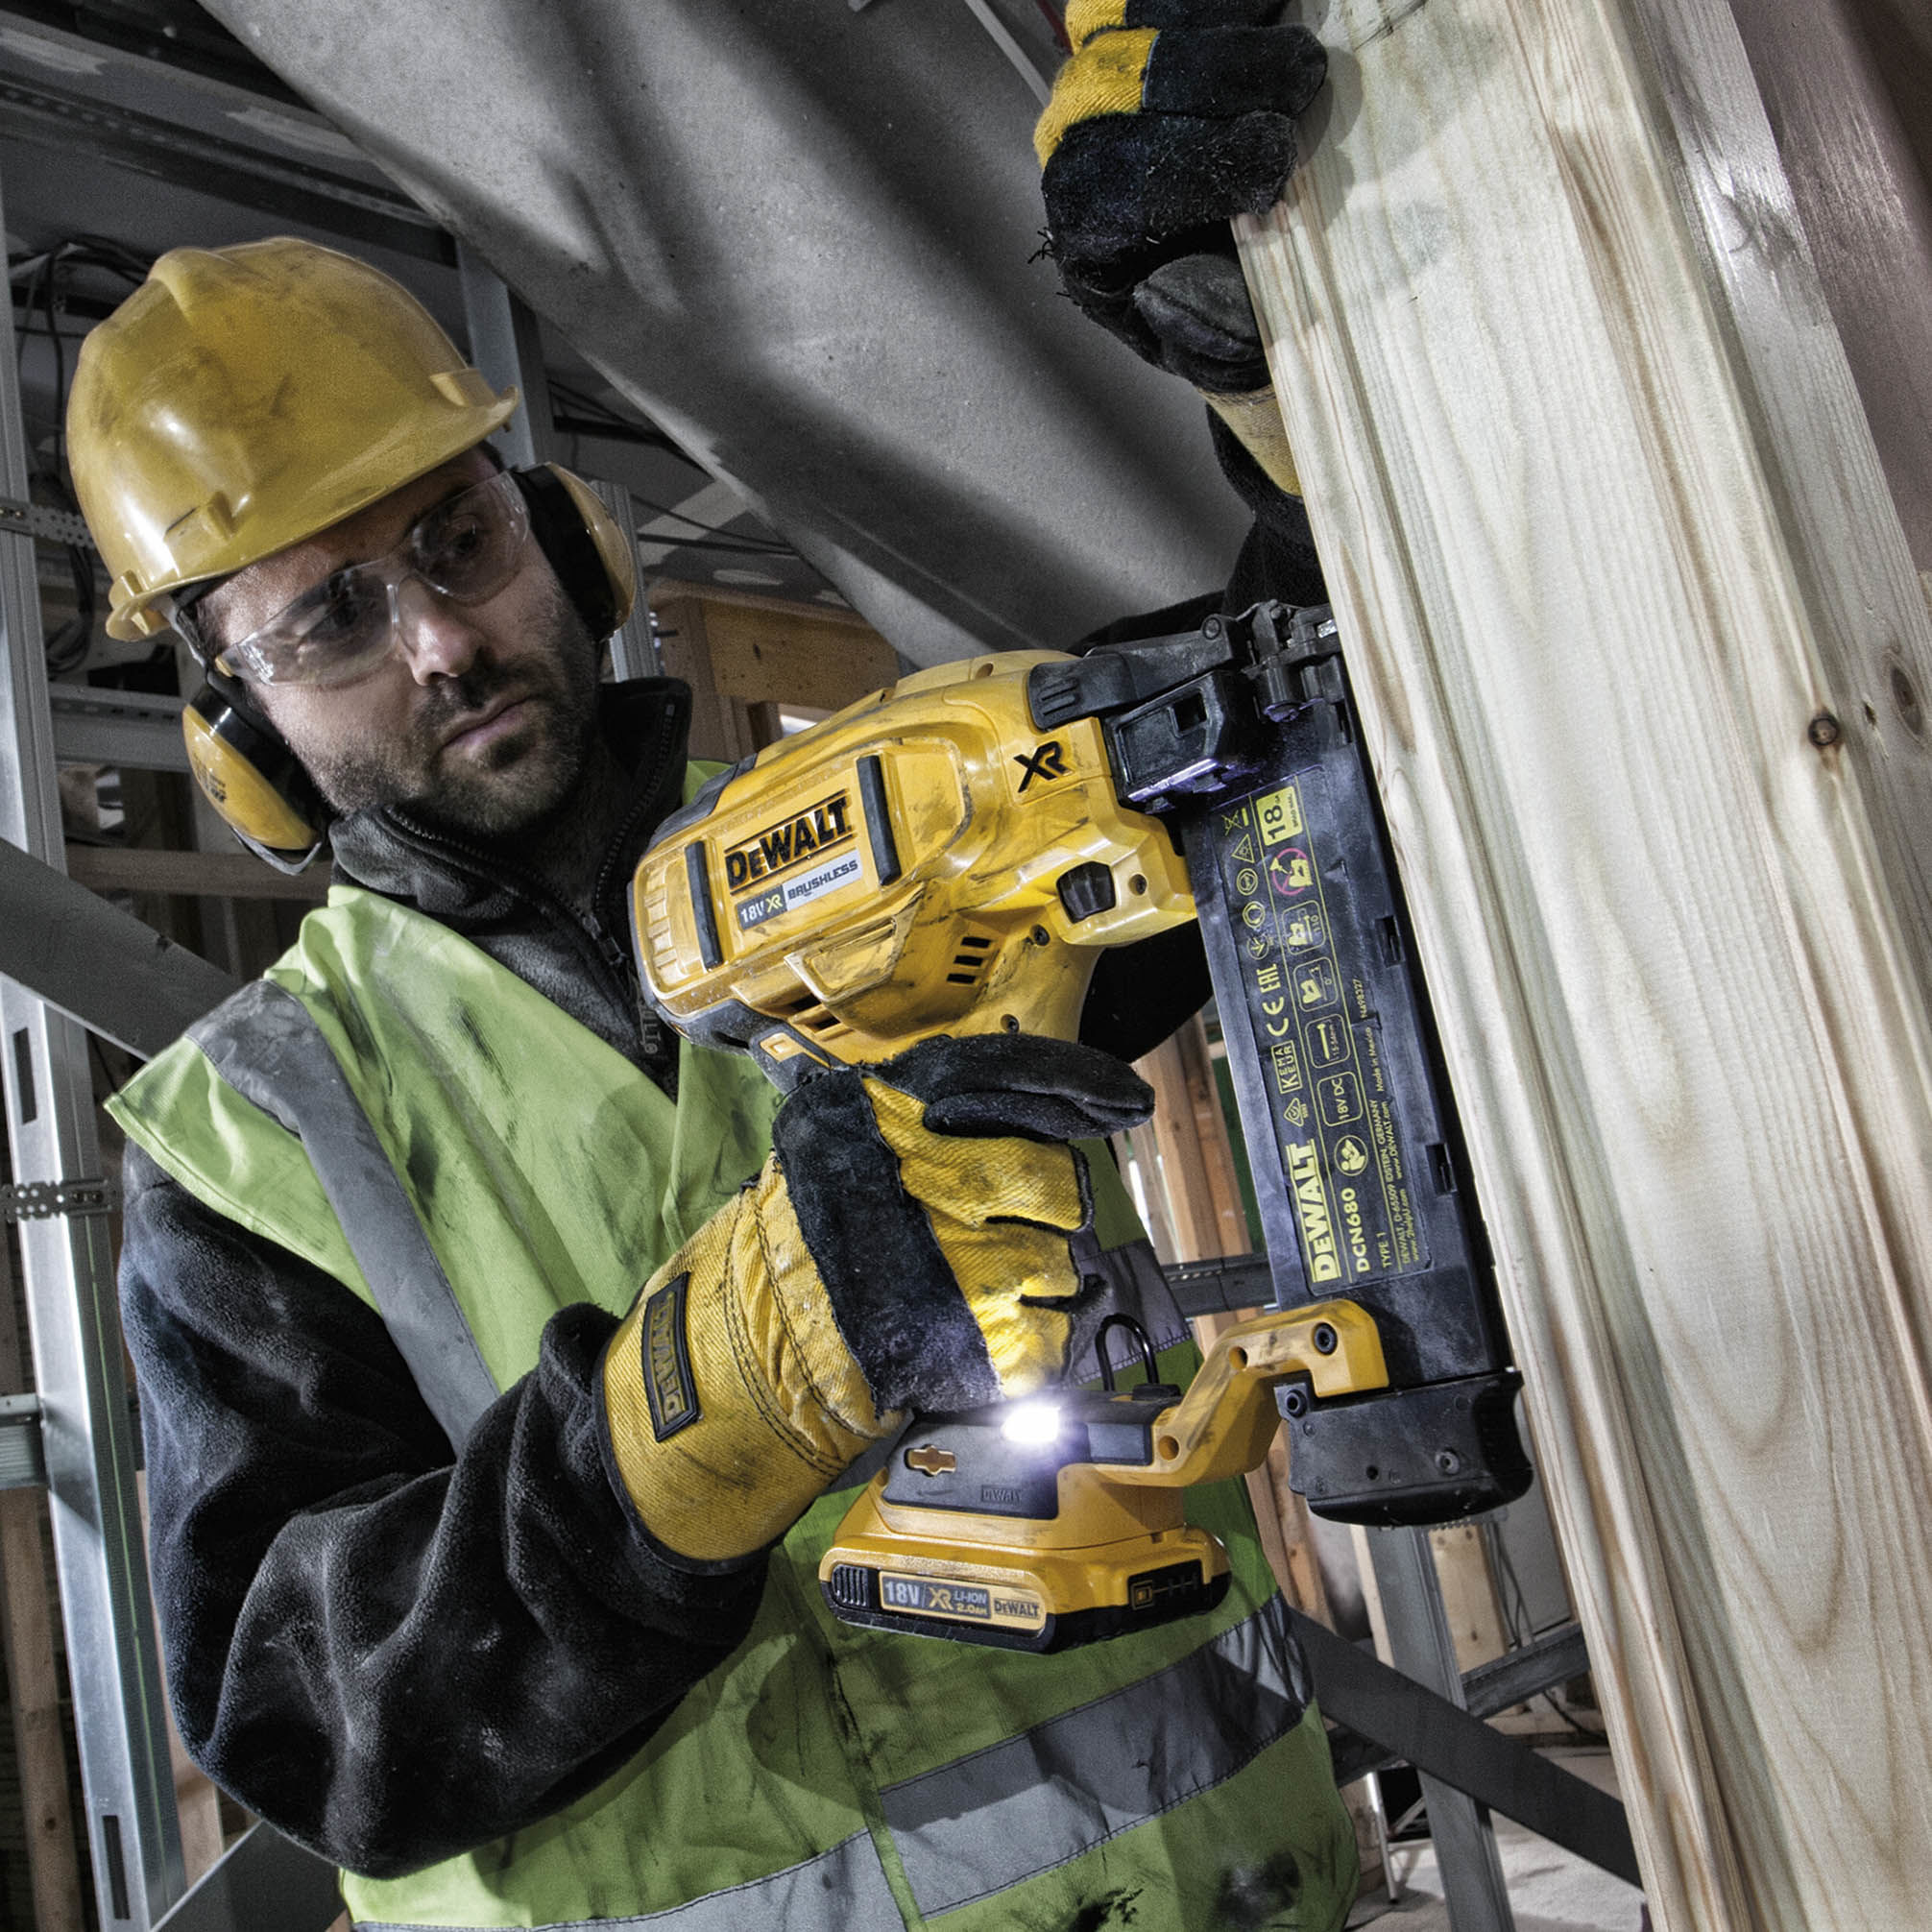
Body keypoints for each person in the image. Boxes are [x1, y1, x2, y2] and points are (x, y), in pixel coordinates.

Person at [78, 4, 1354, 1926]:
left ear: (566, 541)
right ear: (237, 732)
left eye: (458, 539)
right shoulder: (249, 1146)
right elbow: (324, 1724)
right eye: (334, 618)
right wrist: (712, 1399)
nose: (441, 640)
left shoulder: (886, 828)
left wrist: (1273, 385)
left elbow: (1294, 744)